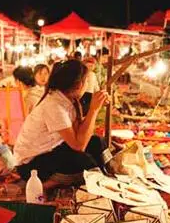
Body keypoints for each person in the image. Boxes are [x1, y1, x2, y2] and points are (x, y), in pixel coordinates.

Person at [14, 60, 108, 190]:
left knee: (97, 142)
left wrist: (91, 109)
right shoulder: (54, 105)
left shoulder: (69, 99)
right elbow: (79, 145)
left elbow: (81, 136)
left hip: (51, 151)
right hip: (30, 164)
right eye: (86, 81)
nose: (87, 85)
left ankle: (105, 174)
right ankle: (48, 184)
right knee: (84, 161)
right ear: (79, 85)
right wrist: (93, 110)